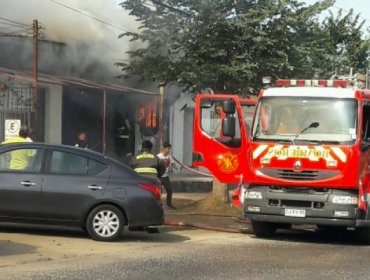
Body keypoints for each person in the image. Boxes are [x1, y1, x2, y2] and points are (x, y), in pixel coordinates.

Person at [157, 142, 178, 210]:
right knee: (159, 192)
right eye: (168, 148)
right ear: (164, 148)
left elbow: (172, 163)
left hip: (166, 177)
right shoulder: (158, 156)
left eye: (170, 148)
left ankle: (169, 204)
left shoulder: (169, 156)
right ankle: (158, 205)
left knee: (169, 190)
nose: (169, 150)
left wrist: (175, 167)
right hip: (159, 177)